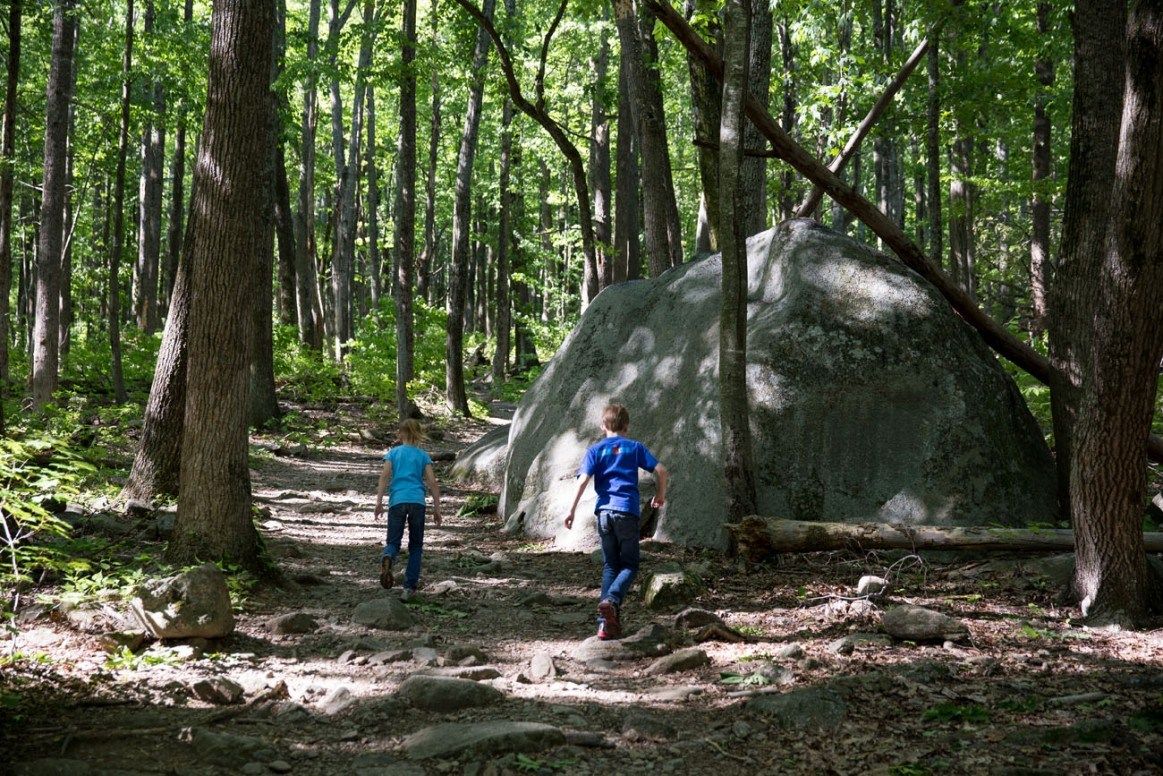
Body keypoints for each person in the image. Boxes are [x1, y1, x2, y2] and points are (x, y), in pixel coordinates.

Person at [565, 403, 668, 640]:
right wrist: (660, 495)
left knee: (611, 565)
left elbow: (582, 481)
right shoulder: (634, 448)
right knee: (630, 565)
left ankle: (605, 625)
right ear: (627, 426)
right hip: (627, 512)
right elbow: (661, 471)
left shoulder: (595, 450)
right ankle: (611, 601)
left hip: (603, 514)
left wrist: (571, 511)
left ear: (603, 426)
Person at [374, 419, 443, 601]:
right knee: (416, 547)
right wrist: (437, 509)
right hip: (417, 502)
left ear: (400, 434)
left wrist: (379, 502)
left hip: (397, 501)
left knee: (393, 542)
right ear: (418, 434)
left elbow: (384, 478)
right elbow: (433, 483)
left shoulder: (393, 454)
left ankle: (388, 555)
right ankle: (408, 588)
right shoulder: (422, 456)